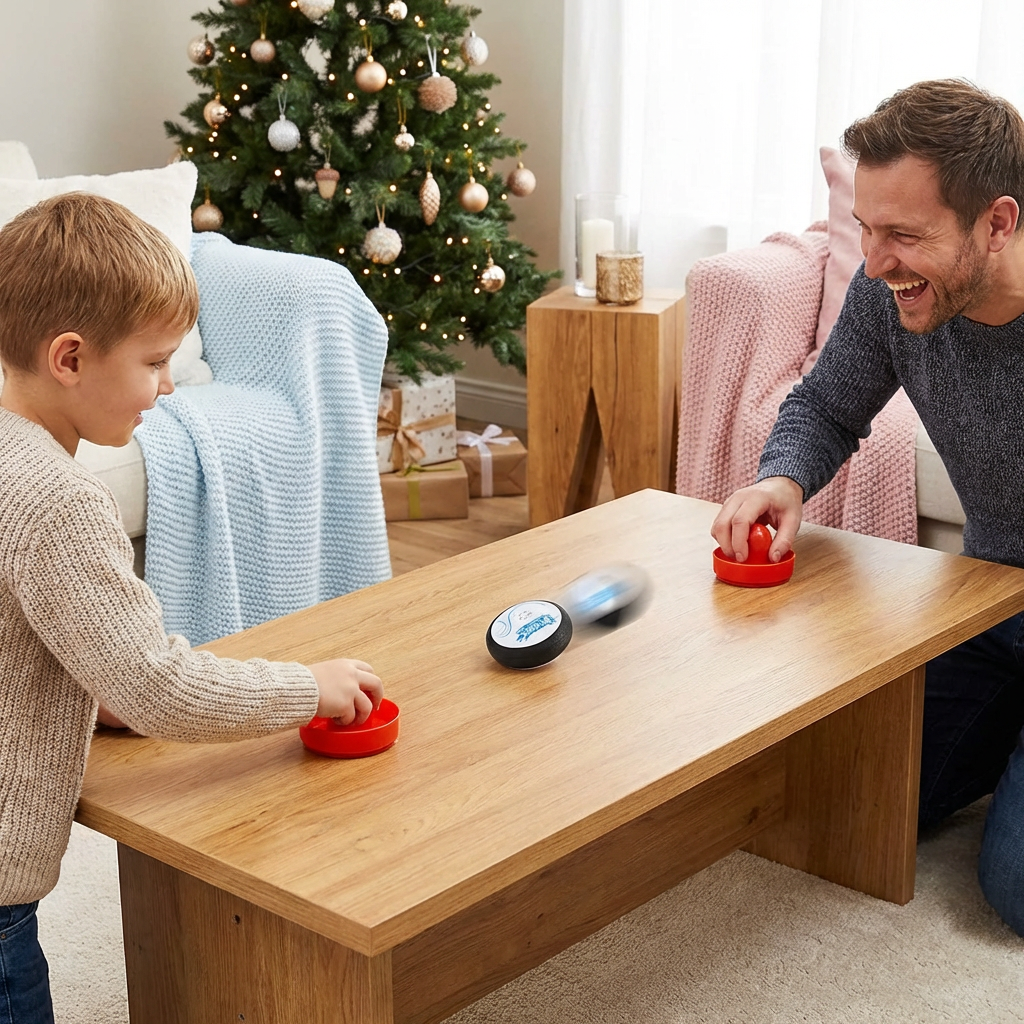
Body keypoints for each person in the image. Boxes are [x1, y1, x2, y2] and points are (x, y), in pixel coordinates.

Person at [0, 192, 385, 1023]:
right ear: (68, 357)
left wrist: (88, 691)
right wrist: (307, 689)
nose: (169, 388)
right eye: (153, 362)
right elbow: (158, 688)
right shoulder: (55, 499)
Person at [711, 78, 1024, 936]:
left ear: (997, 223)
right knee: (843, 796)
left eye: (905, 235)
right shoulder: (891, 300)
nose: (877, 261)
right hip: (991, 605)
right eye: (867, 229)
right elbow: (826, 408)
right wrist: (783, 479)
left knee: (1018, 891)